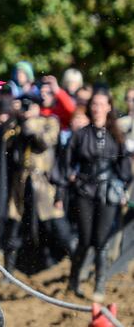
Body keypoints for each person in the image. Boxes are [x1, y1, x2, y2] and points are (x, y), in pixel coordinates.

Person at [65, 90, 131, 301]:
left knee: (102, 241)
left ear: (109, 107)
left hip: (107, 192)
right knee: (85, 239)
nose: (97, 108)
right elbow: (67, 161)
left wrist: (123, 188)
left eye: (102, 104)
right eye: (94, 104)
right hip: (84, 190)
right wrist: (70, 176)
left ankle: (99, 285)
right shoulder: (80, 134)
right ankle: (73, 281)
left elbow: (124, 167)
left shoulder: (116, 135)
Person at [1, 93, 72, 274]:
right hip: (21, 184)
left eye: (30, 105)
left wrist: (31, 125)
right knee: (14, 227)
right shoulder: (15, 125)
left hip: (44, 185)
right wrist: (14, 118)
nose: (27, 109)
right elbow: (4, 143)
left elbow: (45, 142)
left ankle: (75, 266)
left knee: (56, 226)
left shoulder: (50, 122)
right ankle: (9, 271)